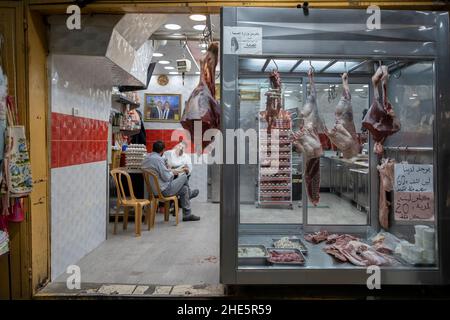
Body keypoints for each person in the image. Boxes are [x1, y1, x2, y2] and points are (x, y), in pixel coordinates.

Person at [142, 141, 200, 221]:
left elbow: (160, 172)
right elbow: (167, 177)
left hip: (153, 190)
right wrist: (174, 172)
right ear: (163, 150)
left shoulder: (147, 158)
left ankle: (187, 214)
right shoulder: (158, 160)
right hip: (164, 191)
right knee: (184, 177)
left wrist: (168, 169)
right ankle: (190, 194)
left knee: (184, 189)